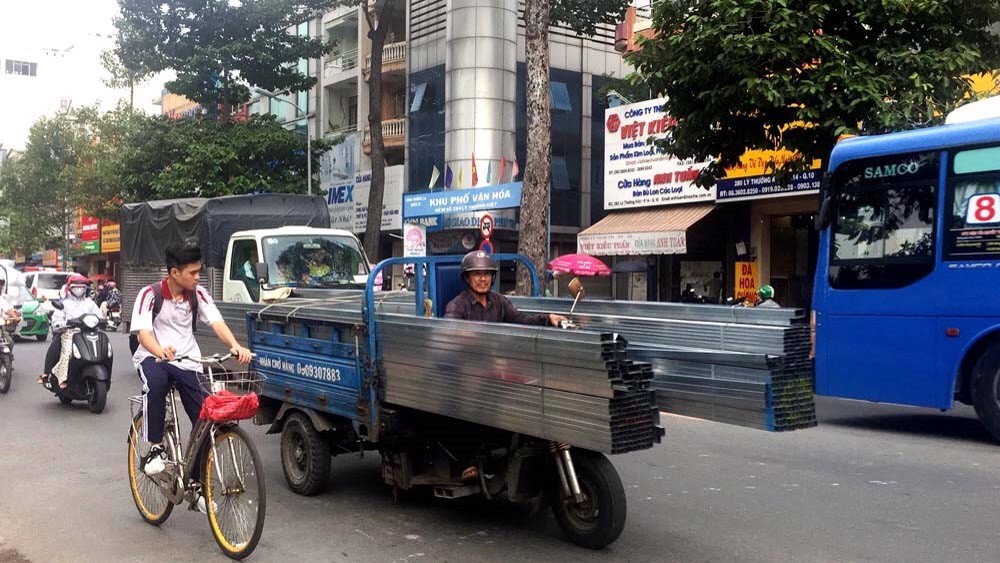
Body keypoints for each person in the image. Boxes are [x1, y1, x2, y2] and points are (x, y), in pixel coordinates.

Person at [132, 242, 252, 478]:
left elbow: (217, 322)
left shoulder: (198, 294)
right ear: (175, 273)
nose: (198, 277)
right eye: (193, 273)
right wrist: (159, 350)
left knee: (206, 418)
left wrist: (235, 345)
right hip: (154, 358)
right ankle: (155, 449)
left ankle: (196, 482)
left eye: (199, 271)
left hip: (189, 361)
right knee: (155, 386)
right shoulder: (149, 294)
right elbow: (143, 333)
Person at [444, 251, 567, 327]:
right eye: (477, 274)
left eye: (487, 274)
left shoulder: (499, 301)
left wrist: (548, 319)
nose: (483, 279)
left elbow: (521, 320)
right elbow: (449, 331)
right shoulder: (457, 305)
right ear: (467, 278)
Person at [37, 274, 103, 388]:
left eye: (82, 287)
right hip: (68, 333)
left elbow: (100, 316)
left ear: (86, 289)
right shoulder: (64, 304)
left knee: (104, 348)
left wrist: (103, 321)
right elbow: (56, 321)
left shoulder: (90, 303)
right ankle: (54, 376)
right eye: (75, 287)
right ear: (69, 288)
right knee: (65, 351)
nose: (79, 289)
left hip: (89, 333)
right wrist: (62, 324)